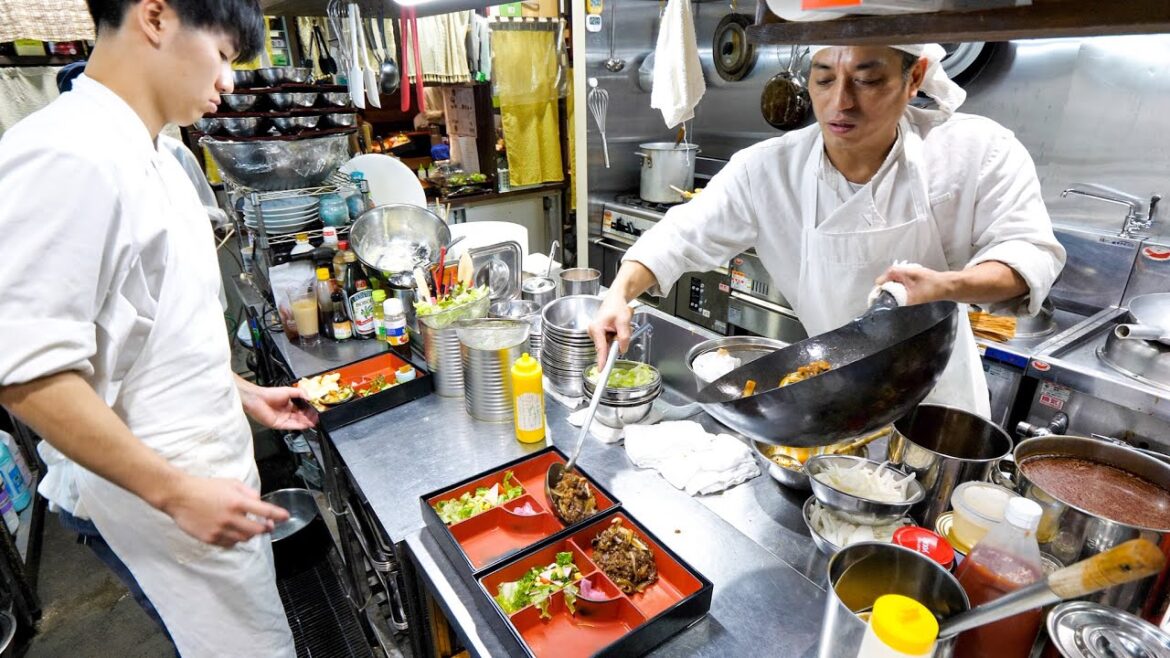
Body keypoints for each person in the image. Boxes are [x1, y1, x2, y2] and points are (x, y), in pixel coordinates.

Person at [0, 0, 317, 655]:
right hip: (160, 504)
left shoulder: (158, 155)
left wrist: (241, 392)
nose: (229, 82)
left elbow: (155, 330)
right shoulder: (65, 155)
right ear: (155, 17)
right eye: (225, 54)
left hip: (204, 480)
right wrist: (175, 495)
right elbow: (25, 372)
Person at [589, 44, 1066, 417]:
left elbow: (1030, 255)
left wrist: (945, 286)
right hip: (827, 389)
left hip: (938, 397)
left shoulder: (974, 151)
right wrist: (619, 294)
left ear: (914, 76)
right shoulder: (767, 169)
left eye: (868, 79)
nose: (841, 102)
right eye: (823, 79)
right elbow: (678, 235)